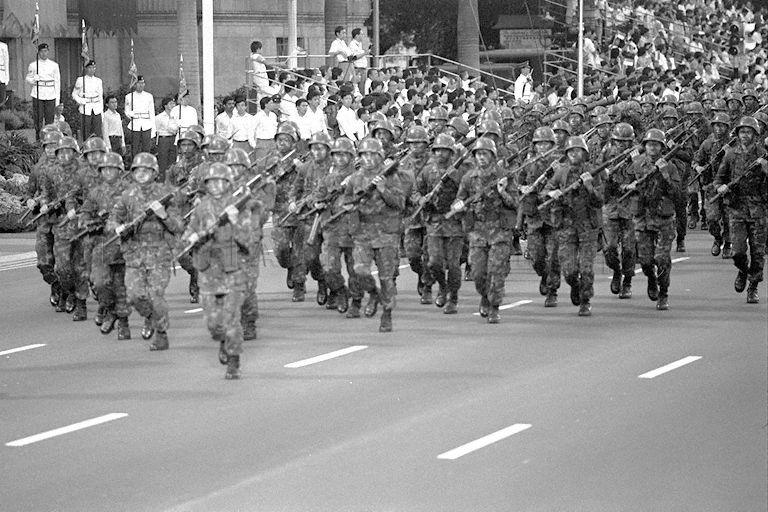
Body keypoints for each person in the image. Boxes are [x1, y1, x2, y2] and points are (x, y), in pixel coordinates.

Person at [182, 162, 257, 379]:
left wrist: (235, 223)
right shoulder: (202, 207)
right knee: (214, 323)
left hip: (232, 270)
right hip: (208, 271)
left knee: (231, 319)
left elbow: (249, 242)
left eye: (220, 181)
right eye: (211, 182)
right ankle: (223, 340)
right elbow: (190, 230)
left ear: (228, 183)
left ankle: (234, 362)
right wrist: (192, 237)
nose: (215, 185)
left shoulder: (239, 206)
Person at [108, 153, 184, 351]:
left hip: (159, 255)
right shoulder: (127, 196)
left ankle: (161, 334)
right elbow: (113, 219)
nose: (142, 174)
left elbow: (178, 226)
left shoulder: (166, 194)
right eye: (138, 170)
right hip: (134, 255)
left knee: (155, 296)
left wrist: (163, 215)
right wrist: (119, 228)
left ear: (154, 172)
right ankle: (151, 317)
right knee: (134, 296)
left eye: (146, 170)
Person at [450, 137, 519, 323]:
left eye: (485, 154)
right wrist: (458, 207)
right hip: (477, 232)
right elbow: (460, 199)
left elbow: (515, 204)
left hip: (500, 231)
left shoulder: (505, 176)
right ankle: (484, 296)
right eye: (478, 154)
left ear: (492, 155)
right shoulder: (468, 178)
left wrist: (502, 191)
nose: (481, 157)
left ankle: (494, 306)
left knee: (496, 271)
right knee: (479, 273)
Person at [345, 137, 406, 332]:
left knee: (387, 277)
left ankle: (387, 313)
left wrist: (383, 190)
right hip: (363, 232)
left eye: (372, 154)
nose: (368, 158)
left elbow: (400, 203)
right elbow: (346, 200)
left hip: (386, 233)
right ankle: (373, 292)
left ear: (380, 156)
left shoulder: (390, 177)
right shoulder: (354, 178)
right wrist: (348, 207)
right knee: (360, 270)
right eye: (364, 154)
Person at [542, 136, 604, 316]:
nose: (573, 154)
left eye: (577, 150)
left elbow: (600, 200)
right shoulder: (561, 172)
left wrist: (589, 186)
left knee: (586, 268)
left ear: (584, 153)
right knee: (568, 270)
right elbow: (545, 190)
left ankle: (585, 300)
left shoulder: (593, 172)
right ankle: (575, 286)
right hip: (566, 226)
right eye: (570, 151)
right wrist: (552, 193)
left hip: (587, 226)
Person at [623, 128, 682, 311]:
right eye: (649, 144)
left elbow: (678, 194)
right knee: (646, 260)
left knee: (662, 259)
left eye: (656, 145)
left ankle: (663, 294)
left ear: (662, 147)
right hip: (642, 217)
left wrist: (664, 174)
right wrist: (629, 186)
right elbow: (623, 183)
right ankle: (651, 280)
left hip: (663, 218)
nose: (652, 148)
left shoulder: (670, 166)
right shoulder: (637, 164)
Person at [713, 116, 767, 304]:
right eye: (742, 132)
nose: (745, 135)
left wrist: (766, 168)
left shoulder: (763, 154)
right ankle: (743, 270)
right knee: (737, 251)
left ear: (755, 134)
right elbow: (719, 179)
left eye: (748, 132)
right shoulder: (730, 154)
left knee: (758, 252)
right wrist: (720, 187)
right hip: (736, 209)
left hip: (758, 210)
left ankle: (753, 286)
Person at [82, 152, 131, 339]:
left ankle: (123, 323)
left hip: (124, 246)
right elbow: (84, 213)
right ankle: (110, 309)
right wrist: (90, 222)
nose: (108, 172)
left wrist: (127, 225)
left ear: (119, 170)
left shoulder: (130, 191)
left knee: (121, 287)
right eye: (105, 169)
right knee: (100, 282)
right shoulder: (95, 192)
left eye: (112, 169)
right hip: (102, 245)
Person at [25, 43, 61, 139]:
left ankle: (49, 139)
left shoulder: (54, 65)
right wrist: (34, 80)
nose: (44, 53)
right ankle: (38, 138)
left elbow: (57, 82)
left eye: (45, 51)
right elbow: (28, 78)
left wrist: (57, 99)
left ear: (48, 51)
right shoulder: (33, 65)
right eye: (41, 51)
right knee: (38, 118)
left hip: (50, 93)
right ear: (38, 52)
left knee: (50, 119)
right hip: (38, 93)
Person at [71, 59, 103, 140]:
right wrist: (81, 101)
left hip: (96, 107)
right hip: (86, 107)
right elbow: (74, 94)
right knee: (86, 131)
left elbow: (100, 97)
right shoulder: (81, 80)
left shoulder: (98, 81)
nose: (92, 70)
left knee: (97, 132)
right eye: (90, 68)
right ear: (86, 68)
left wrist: (101, 111)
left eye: (94, 67)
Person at [124, 76, 156, 157]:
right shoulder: (129, 96)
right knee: (135, 148)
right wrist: (129, 114)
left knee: (146, 148)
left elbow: (151, 112)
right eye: (139, 83)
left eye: (142, 83)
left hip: (146, 123)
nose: (141, 85)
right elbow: (126, 110)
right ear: (135, 84)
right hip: (135, 123)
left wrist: (153, 127)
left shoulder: (149, 96)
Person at [154, 96, 178, 179]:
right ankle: (162, 179)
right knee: (163, 160)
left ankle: (171, 179)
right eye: (170, 103)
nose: (173, 105)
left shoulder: (176, 116)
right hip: (163, 139)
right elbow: (156, 130)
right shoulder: (159, 117)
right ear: (165, 105)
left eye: (173, 103)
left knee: (172, 159)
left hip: (173, 138)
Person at [251, 96, 279, 162]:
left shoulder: (273, 116)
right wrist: (254, 144)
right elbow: (251, 130)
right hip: (262, 142)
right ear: (266, 104)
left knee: (272, 163)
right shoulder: (258, 116)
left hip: (272, 142)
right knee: (261, 164)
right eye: (271, 103)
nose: (273, 105)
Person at [0, 40, 8, 108]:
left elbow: (6, 62)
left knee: (1, 98)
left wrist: (6, 78)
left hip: (1, 76)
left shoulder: (3, 46)